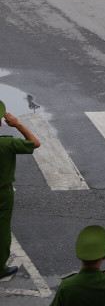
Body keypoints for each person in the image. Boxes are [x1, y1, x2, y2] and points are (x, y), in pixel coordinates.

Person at [1, 100, 41, 280]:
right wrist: (17, 124)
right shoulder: (7, 144)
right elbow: (35, 143)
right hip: (3, 193)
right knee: (2, 230)